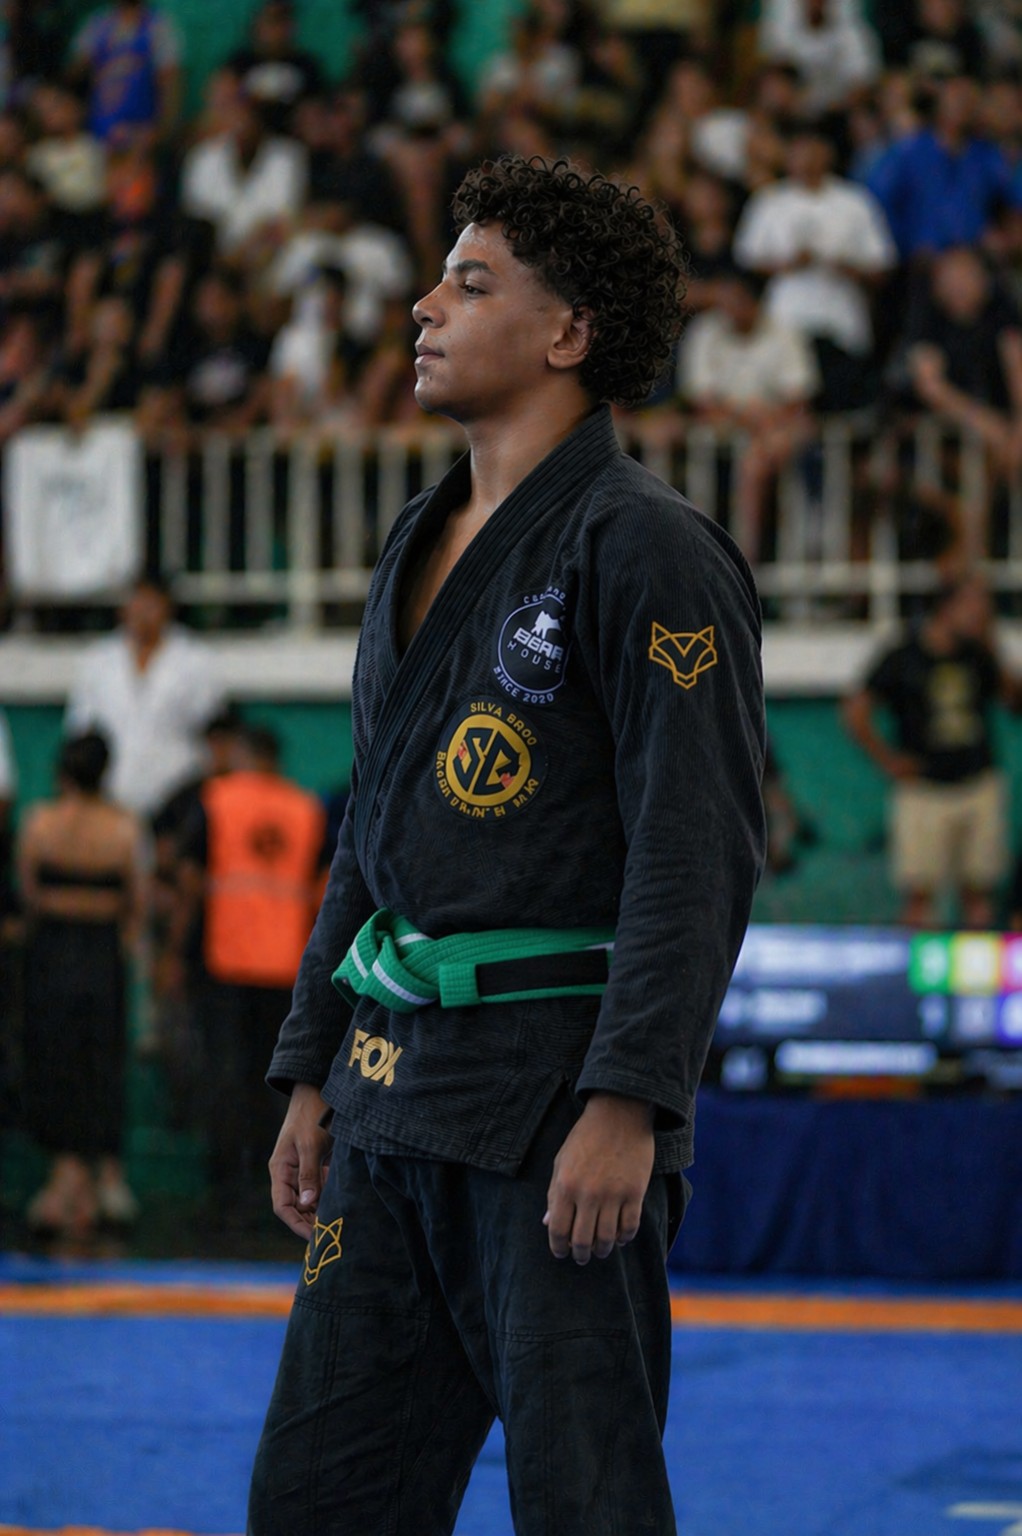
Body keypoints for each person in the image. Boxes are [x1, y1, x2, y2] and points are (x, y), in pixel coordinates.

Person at [247, 154, 765, 1536]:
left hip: (551, 1107)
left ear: (567, 333)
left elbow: (695, 848)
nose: (424, 307)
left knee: (584, 1503)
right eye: (437, 280)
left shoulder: (646, 548)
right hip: (387, 1091)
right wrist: (311, 1062)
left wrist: (631, 1102)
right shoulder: (416, 536)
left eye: (470, 285)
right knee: (315, 1501)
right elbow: (373, 829)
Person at [173, 722, 325, 1223]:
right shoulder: (306, 808)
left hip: (226, 962)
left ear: (242, 754)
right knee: (278, 1086)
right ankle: (277, 1193)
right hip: (288, 967)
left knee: (224, 1079)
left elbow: (190, 882)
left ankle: (226, 1192)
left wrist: (173, 953)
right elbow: (324, 890)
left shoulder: (215, 799)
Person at [17, 730, 144, 1238]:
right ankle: (101, 1178)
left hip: (52, 952)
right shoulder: (123, 828)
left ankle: (64, 1177)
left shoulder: (40, 823)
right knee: (100, 1061)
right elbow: (135, 903)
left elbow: (29, 895)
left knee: (56, 1059)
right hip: (101, 953)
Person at [843, 572, 1020, 927]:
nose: (980, 615)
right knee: (920, 899)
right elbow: (855, 710)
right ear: (948, 607)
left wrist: (992, 644)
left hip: (976, 782)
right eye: (973, 606)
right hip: (923, 787)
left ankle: (974, 964)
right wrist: (887, 760)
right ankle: (918, 964)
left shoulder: (978, 653)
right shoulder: (904, 655)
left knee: (979, 894)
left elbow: (1014, 702)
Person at [64, 573, 225, 820]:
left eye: (151, 604)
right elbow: (81, 729)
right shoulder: (98, 661)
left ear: (168, 608)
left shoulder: (195, 661)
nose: (142, 612)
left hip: (177, 797)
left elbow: (213, 733)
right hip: (111, 795)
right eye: (136, 602)